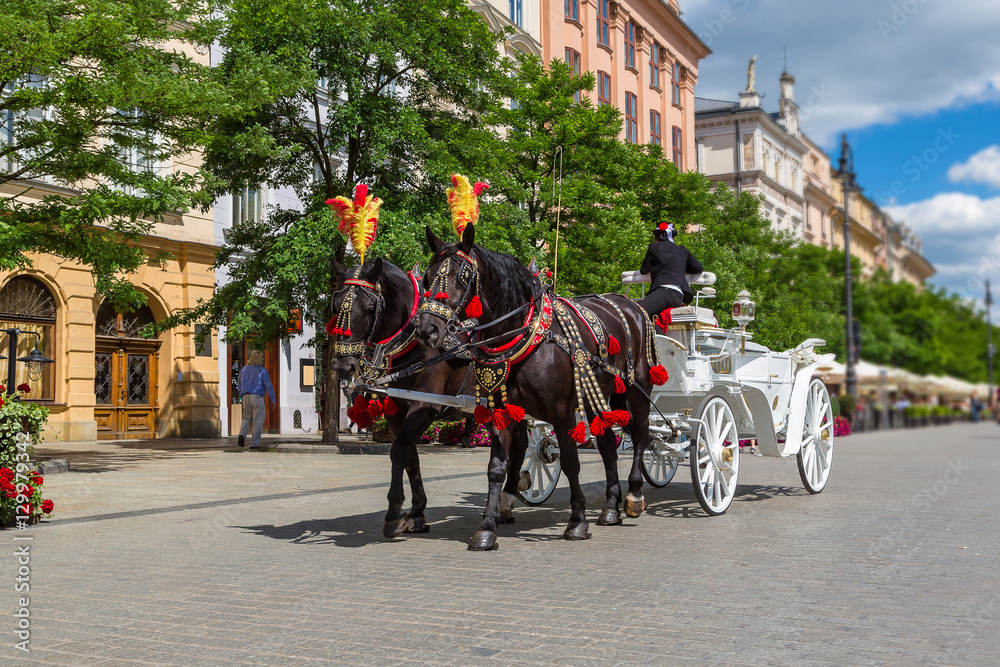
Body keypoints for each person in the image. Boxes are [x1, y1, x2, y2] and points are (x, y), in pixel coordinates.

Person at [636, 222, 704, 318]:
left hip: (665, 292)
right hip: (679, 295)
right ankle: (656, 332)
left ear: (656, 237)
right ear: (673, 237)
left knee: (636, 311)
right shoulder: (682, 250)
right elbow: (698, 268)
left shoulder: (654, 247)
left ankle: (659, 334)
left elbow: (644, 270)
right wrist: (680, 268)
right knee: (648, 317)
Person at [237, 349, 276, 451]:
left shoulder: (244, 369)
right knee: (257, 421)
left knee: (246, 418)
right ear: (260, 359)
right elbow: (268, 385)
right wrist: (273, 399)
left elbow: (239, 384)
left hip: (245, 396)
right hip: (257, 396)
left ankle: (242, 435)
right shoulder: (262, 370)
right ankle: (254, 443)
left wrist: (241, 394)